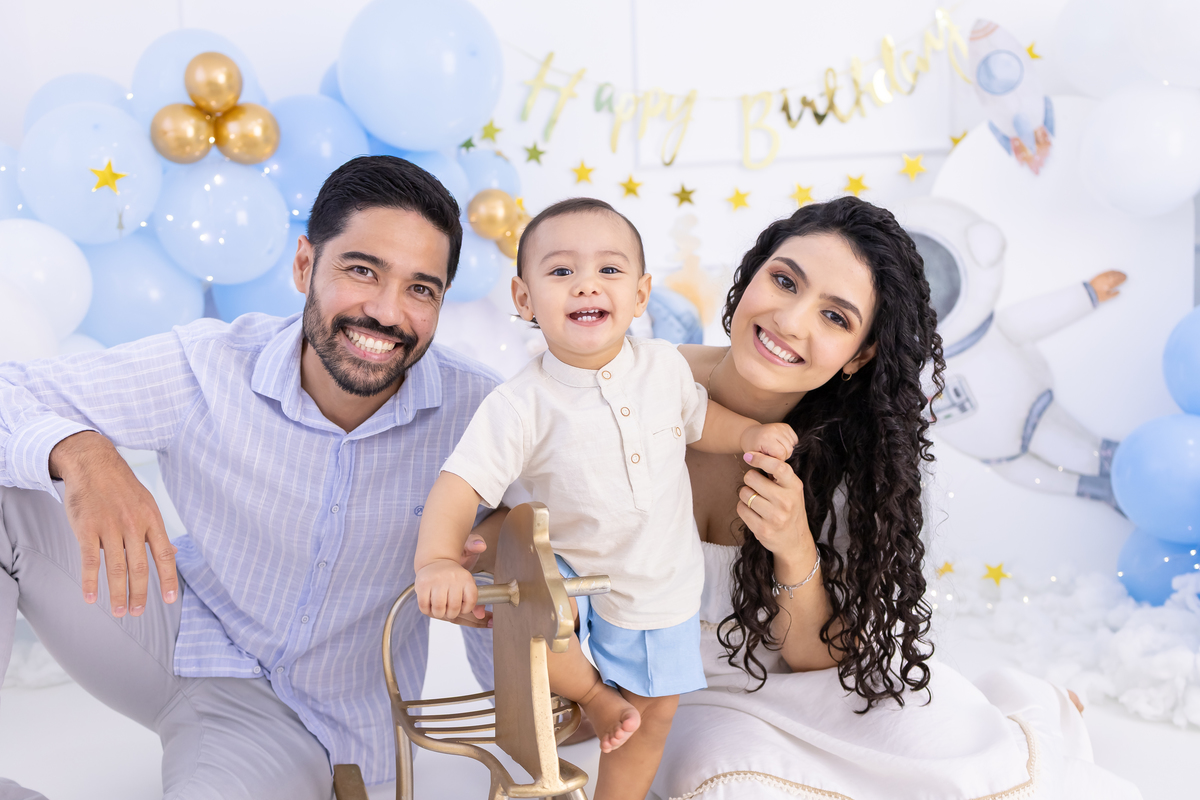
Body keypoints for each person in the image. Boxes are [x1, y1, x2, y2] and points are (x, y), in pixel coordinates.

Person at [0, 156, 504, 799]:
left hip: (299, 723)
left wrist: (557, 693)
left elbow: (518, 580)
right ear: (304, 265)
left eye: (420, 289)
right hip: (174, 629)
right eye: (362, 271)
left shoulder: (482, 415)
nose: (386, 312)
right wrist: (80, 452)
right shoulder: (208, 366)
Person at [652, 197, 1142, 799]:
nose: (791, 320)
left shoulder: (849, 460)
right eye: (784, 281)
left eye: (835, 317)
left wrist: (793, 547)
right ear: (751, 273)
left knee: (974, 760)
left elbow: (816, 660)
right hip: (667, 706)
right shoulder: (632, 386)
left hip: (801, 690)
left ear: (860, 355)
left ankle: (1022, 713)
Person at [413, 198, 797, 800]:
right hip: (566, 564)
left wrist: (748, 434)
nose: (586, 284)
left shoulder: (665, 366)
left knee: (653, 713)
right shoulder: (520, 404)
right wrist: (437, 559)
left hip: (656, 577)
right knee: (541, 616)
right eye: (561, 271)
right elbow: (460, 484)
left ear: (641, 294)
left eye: (609, 270)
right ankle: (592, 694)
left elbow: (700, 420)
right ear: (524, 298)